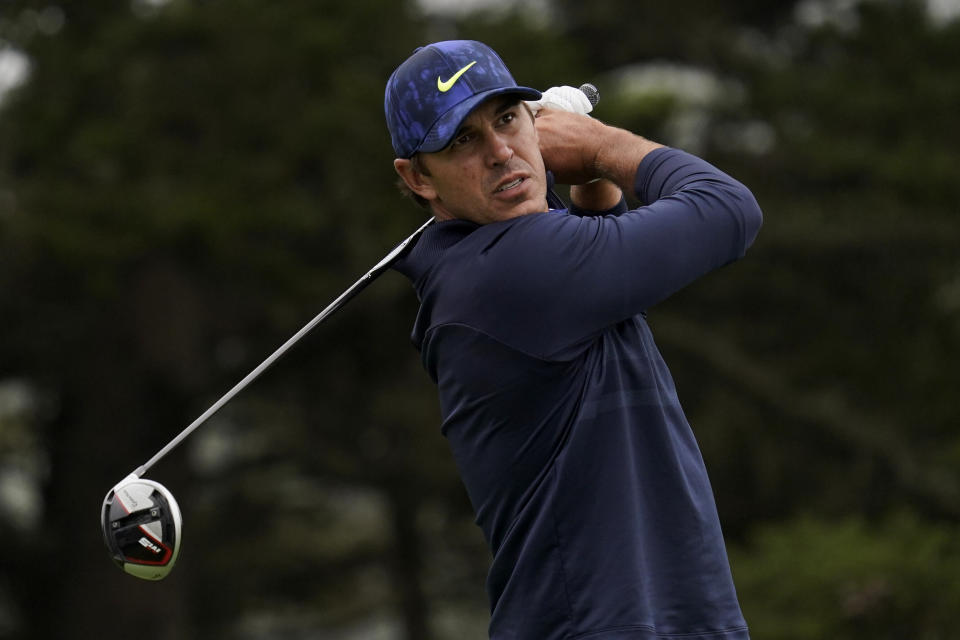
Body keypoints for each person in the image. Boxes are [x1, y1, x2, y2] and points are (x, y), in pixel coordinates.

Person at [384, 40, 762, 640]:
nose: (501, 151)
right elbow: (728, 211)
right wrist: (600, 145)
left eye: (507, 119)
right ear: (418, 177)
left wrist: (591, 184)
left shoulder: (490, 266)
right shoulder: (512, 270)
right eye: (462, 141)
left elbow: (601, 277)